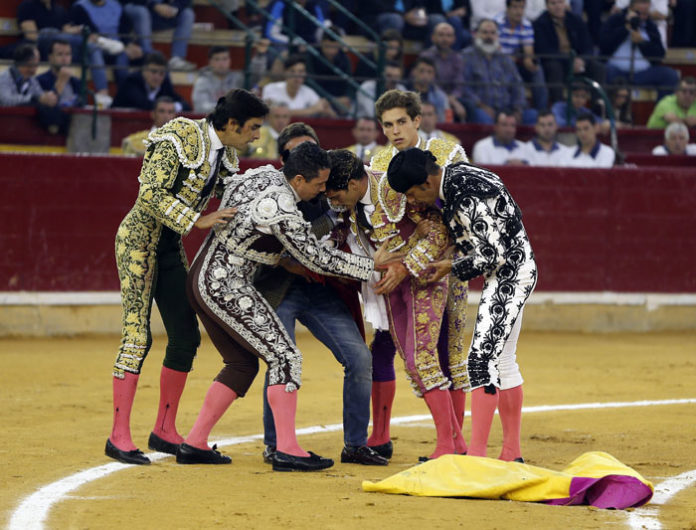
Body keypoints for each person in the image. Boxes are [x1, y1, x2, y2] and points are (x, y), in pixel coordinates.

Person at [180, 142, 375, 469]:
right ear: (298, 180)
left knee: (242, 364)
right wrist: (373, 268)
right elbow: (317, 258)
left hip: (204, 276)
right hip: (225, 284)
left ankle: (194, 443)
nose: (323, 191)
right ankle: (286, 449)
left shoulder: (260, 177)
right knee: (285, 356)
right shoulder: (282, 208)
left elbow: (220, 185)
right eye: (318, 184)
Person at [105, 89, 268, 466]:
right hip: (137, 242)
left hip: (168, 245)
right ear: (231, 124)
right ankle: (118, 436)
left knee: (185, 334)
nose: (256, 137)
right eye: (253, 128)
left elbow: (231, 195)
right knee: (136, 335)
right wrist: (197, 219)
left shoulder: (225, 154)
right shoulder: (179, 135)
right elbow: (149, 194)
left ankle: (164, 429)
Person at [387, 147, 537, 463]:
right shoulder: (459, 179)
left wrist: (449, 268)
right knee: (503, 361)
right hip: (513, 267)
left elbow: (492, 254)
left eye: (413, 193)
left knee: (480, 361)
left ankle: (477, 456)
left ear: (427, 182)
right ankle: (512, 453)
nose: (413, 201)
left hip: (510, 273)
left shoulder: (464, 193)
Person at [253, 124, 388, 468]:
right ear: (287, 162)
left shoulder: (331, 191)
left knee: (359, 358)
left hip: (321, 288)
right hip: (280, 287)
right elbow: (286, 246)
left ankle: (356, 444)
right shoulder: (273, 190)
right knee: (281, 360)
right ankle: (276, 444)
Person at [368, 89, 470, 460]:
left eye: (400, 122)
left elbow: (450, 223)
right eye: (387, 125)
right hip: (402, 270)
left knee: (451, 352)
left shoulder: (448, 155)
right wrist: (398, 262)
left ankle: (454, 443)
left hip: (448, 266)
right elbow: (382, 224)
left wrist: (405, 263)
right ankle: (445, 442)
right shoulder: (379, 162)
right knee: (404, 352)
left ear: (417, 120)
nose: (394, 131)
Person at [16, 0, 113, 106]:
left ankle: (103, 94)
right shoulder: (27, 6)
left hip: (64, 44)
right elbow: (32, 35)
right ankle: (97, 41)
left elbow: (67, 29)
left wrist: (76, 30)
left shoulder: (59, 9)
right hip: (42, 46)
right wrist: (63, 33)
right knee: (50, 32)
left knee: (92, 48)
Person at [461, 19, 536, 125]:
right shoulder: (466, 57)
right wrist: (481, 106)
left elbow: (517, 86)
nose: (489, 37)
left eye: (492, 33)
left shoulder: (505, 59)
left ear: (497, 36)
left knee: (533, 116)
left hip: (507, 109)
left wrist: (517, 110)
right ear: (476, 35)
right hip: (481, 108)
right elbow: (464, 87)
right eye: (485, 32)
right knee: (484, 119)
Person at [599, 0, 678, 100]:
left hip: (642, 73)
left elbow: (659, 56)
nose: (642, 17)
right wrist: (625, 28)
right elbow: (604, 45)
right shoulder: (615, 20)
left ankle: (661, 111)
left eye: (645, 13)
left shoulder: (650, 26)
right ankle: (608, 111)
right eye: (639, 13)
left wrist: (642, 42)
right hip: (616, 71)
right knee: (603, 71)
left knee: (670, 75)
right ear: (631, 7)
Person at [533, 0, 604, 103]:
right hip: (558, 62)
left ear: (565, 4)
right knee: (553, 67)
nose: (558, 6)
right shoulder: (540, 23)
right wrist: (570, 60)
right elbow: (544, 50)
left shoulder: (575, 19)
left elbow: (588, 46)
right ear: (547, 6)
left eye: (560, 2)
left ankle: (598, 107)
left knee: (598, 68)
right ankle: (559, 105)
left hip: (577, 62)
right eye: (553, 3)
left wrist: (582, 60)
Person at [69, 0, 143, 88]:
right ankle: (103, 94)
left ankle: (123, 92)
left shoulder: (116, 5)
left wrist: (128, 44)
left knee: (124, 55)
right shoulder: (79, 7)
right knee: (95, 51)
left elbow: (125, 29)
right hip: (95, 49)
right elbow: (89, 32)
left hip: (117, 49)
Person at [0, 43, 66, 134]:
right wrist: (33, 98)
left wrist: (48, 98)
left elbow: (41, 96)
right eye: (37, 59)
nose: (39, 62)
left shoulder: (32, 80)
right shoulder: (4, 77)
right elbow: (5, 101)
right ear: (28, 61)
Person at [495, 0, 548, 111]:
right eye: (515, 7)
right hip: (499, 63)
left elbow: (528, 50)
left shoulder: (526, 24)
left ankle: (541, 111)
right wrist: (511, 59)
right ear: (507, 9)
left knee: (537, 70)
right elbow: (496, 50)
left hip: (517, 61)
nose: (519, 11)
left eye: (521, 8)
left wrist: (529, 60)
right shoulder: (497, 22)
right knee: (510, 67)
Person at [121, 0, 196, 71]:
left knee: (188, 14)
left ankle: (176, 59)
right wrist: (155, 5)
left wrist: (173, 9)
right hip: (136, 6)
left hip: (159, 13)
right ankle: (148, 57)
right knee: (142, 12)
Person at [419, 22, 468, 122]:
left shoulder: (457, 58)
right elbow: (430, 82)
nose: (445, 39)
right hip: (432, 94)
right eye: (441, 35)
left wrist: (453, 98)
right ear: (433, 37)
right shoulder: (426, 56)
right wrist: (447, 99)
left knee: (469, 107)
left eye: (448, 36)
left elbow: (459, 83)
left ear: (454, 39)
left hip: (454, 97)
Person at [112, 51, 191, 111]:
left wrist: (174, 107)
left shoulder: (164, 84)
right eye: (153, 72)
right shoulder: (131, 82)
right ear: (143, 71)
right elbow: (144, 105)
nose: (157, 77)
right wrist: (168, 107)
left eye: (161, 73)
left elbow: (186, 106)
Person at [261, 54, 336, 118]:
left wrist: (326, 109)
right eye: (292, 71)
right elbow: (272, 113)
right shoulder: (271, 88)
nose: (297, 76)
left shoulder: (308, 92)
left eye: (300, 71)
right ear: (285, 73)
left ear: (305, 74)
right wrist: (311, 110)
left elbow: (329, 113)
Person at [306, 31, 354, 116]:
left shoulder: (345, 59)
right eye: (327, 47)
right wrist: (332, 100)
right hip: (316, 98)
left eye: (334, 47)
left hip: (339, 99)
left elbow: (349, 84)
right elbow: (310, 83)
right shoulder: (311, 56)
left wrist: (347, 98)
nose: (331, 51)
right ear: (322, 43)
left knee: (351, 108)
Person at [192, 46, 244, 113]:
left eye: (225, 59)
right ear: (210, 62)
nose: (221, 63)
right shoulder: (202, 81)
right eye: (217, 59)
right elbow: (200, 108)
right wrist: (228, 107)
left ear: (230, 61)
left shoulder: (238, 79)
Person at [36, 37, 83, 108]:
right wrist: (61, 81)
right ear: (50, 57)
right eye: (60, 54)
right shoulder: (40, 81)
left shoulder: (77, 82)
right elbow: (46, 109)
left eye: (68, 54)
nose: (64, 59)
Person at [407, 56, 450, 123]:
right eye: (422, 71)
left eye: (429, 72)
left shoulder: (441, 97)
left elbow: (446, 122)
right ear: (414, 72)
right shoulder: (404, 94)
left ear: (433, 75)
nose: (425, 75)